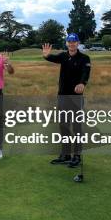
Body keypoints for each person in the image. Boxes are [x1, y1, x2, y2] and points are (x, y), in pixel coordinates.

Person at [42, 33, 91, 168]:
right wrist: (46, 55)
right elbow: (52, 58)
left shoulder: (84, 58)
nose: (72, 44)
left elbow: (85, 73)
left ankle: (77, 156)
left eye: (74, 42)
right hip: (62, 96)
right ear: (66, 43)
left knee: (76, 127)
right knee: (64, 126)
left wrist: (82, 83)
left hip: (76, 98)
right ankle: (66, 154)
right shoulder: (63, 56)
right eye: (69, 42)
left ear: (78, 43)